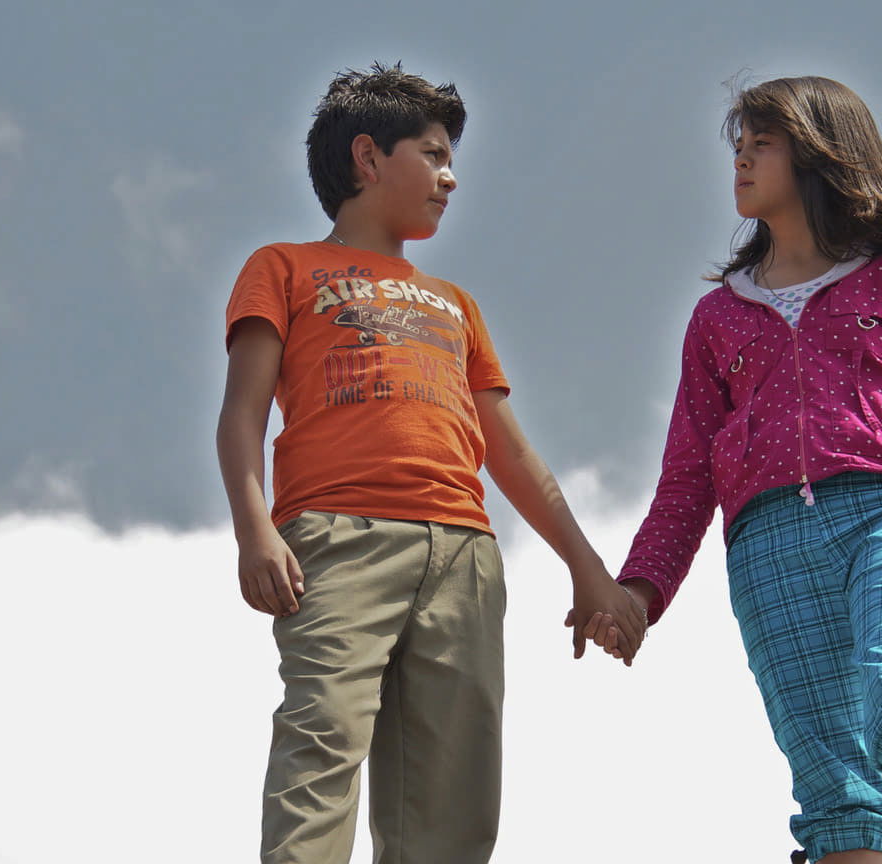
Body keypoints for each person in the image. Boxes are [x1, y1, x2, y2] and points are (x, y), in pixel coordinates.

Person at [215, 63, 645, 864]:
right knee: (322, 738)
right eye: (435, 154)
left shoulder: (456, 304)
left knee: (455, 791)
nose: (451, 178)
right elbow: (242, 412)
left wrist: (588, 569)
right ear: (368, 157)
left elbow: (509, 450)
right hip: (337, 539)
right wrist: (254, 530)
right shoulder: (282, 267)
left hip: (463, 555)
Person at [588, 75, 882, 863]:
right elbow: (687, 476)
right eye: (738, 145)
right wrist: (639, 591)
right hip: (766, 549)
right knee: (830, 782)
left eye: (762, 143)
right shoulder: (717, 315)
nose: (740, 159)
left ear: (819, 153)